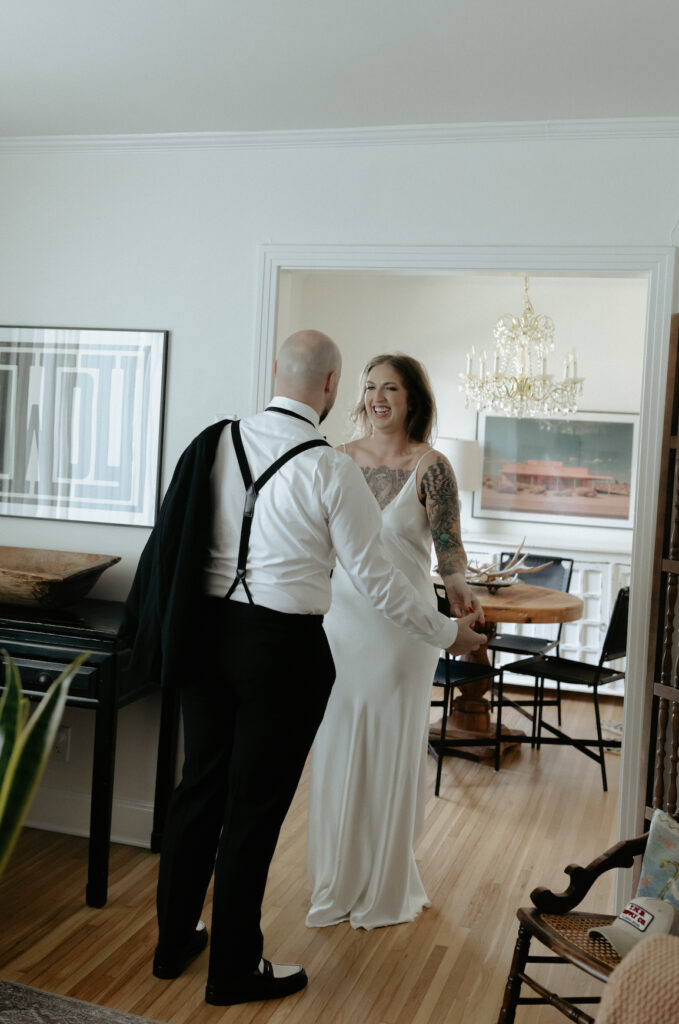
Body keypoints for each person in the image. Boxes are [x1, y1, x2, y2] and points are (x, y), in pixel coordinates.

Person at [122, 331, 485, 1007]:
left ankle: (173, 942)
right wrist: (448, 634)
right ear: (330, 387)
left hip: (204, 640)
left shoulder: (213, 444)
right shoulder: (329, 468)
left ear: (274, 373)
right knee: (253, 811)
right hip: (280, 650)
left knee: (196, 791)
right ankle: (233, 970)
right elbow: (376, 582)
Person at [306, 352, 484, 931]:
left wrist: (458, 596)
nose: (379, 397)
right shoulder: (335, 460)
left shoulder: (432, 466)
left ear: (412, 400)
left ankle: (384, 879)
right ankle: (338, 877)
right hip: (342, 625)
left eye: (391, 388)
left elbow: (448, 548)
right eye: (370, 387)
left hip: (405, 632)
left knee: (390, 747)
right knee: (338, 745)